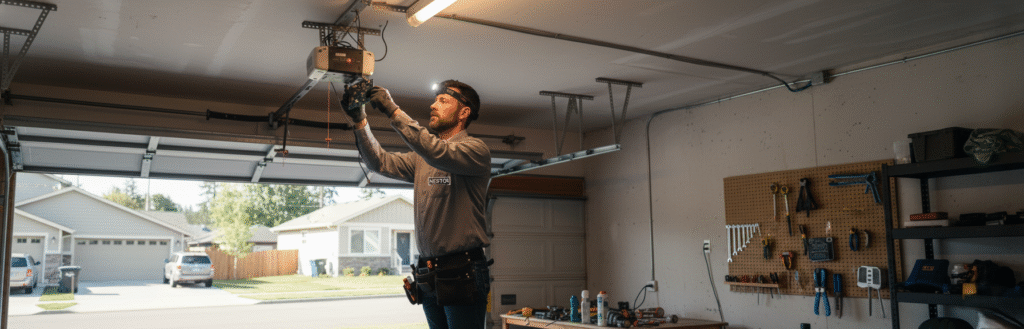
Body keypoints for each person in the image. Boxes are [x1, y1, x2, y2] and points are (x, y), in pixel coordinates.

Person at [343, 80, 491, 329]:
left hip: (462, 270)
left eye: (443, 101)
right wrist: (360, 121)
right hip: (428, 272)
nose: (433, 105)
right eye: (435, 100)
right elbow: (379, 162)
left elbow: (437, 151)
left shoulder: (475, 150)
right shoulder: (422, 159)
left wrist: (392, 109)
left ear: (464, 112)